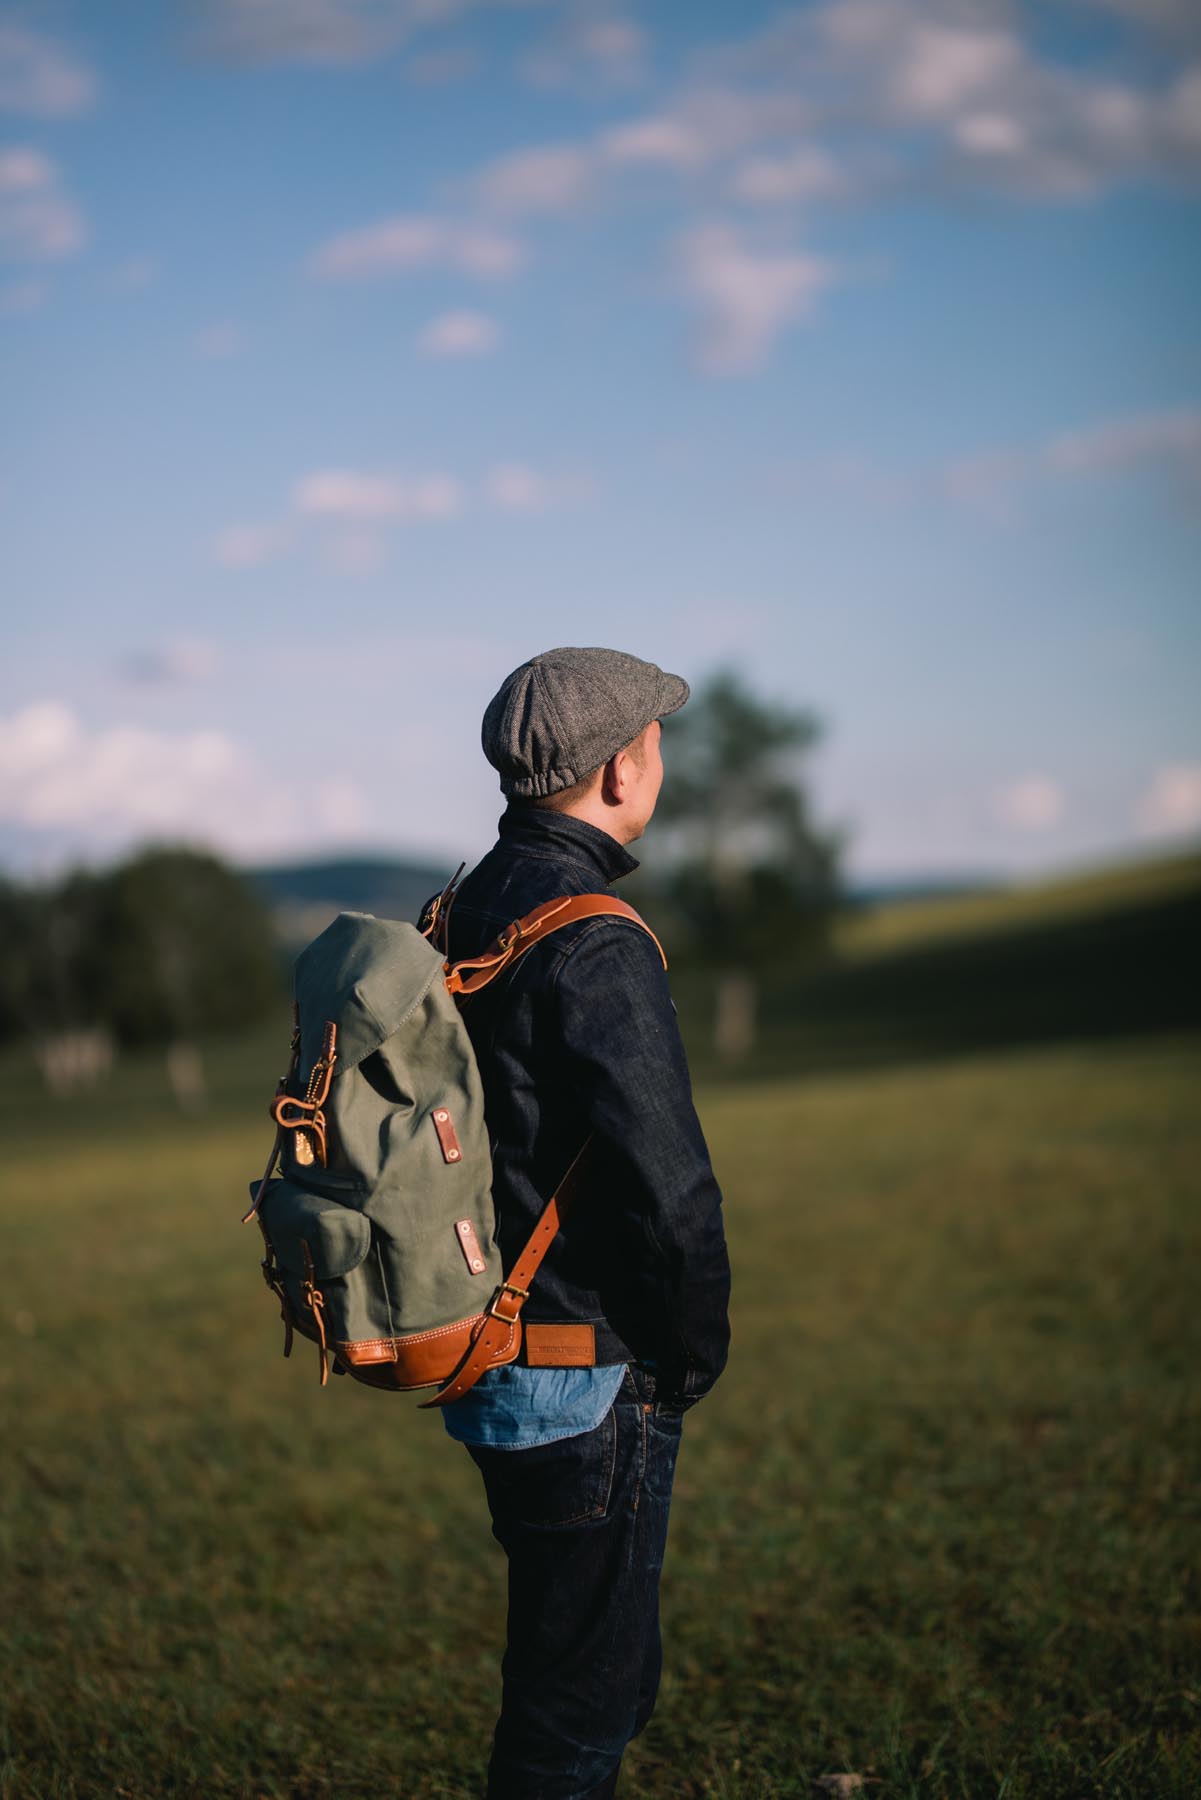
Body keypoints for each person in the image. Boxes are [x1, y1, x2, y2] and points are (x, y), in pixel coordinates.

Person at [421, 645, 732, 1800]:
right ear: (615, 772)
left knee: (568, 1672)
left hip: (485, 1347)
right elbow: (671, 1185)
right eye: (653, 746)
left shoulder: (462, 907)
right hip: (583, 1368)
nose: (658, 764)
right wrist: (691, 1350)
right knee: (580, 1710)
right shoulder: (596, 935)